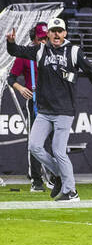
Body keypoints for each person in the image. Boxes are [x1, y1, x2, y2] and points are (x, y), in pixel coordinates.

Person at [6, 17, 92, 202]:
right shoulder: (40, 50)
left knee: (58, 151)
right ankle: (60, 175)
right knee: (34, 146)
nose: (56, 34)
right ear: (48, 34)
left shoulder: (74, 51)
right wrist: (11, 42)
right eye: (53, 30)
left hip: (64, 110)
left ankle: (71, 191)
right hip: (44, 111)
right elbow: (16, 51)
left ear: (65, 33)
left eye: (59, 31)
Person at [8, 22, 47, 192]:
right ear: (34, 38)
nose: (44, 41)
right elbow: (11, 78)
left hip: (52, 100)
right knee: (36, 141)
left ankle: (55, 177)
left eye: (46, 37)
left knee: (54, 142)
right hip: (35, 100)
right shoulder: (26, 55)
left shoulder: (54, 52)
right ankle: (36, 179)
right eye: (41, 38)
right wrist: (21, 88)